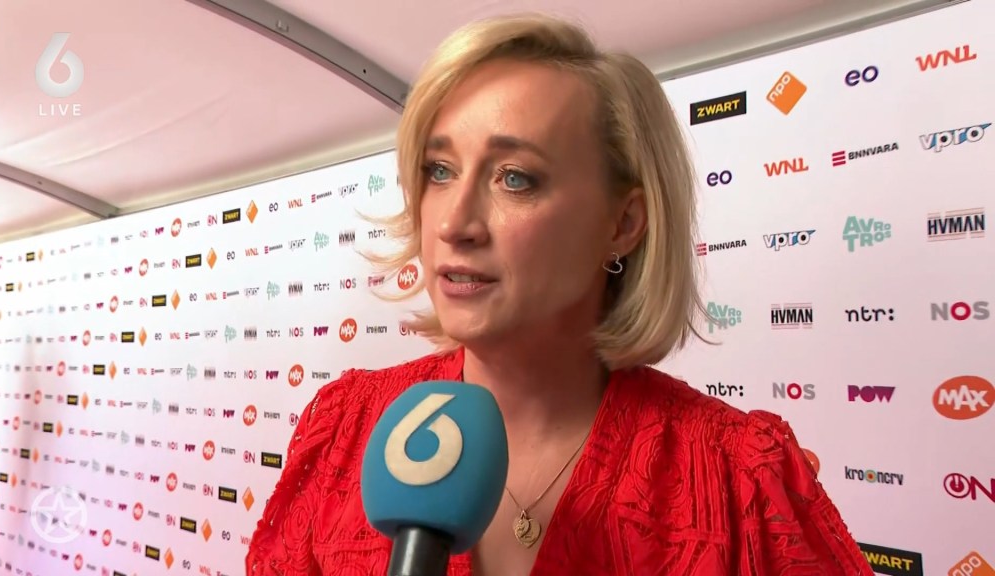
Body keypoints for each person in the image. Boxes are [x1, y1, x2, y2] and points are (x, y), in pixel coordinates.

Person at [246, 12, 872, 576]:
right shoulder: (346, 428)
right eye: (440, 170)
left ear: (623, 223)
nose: (453, 223)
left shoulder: (740, 480)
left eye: (515, 178)